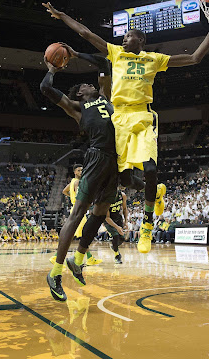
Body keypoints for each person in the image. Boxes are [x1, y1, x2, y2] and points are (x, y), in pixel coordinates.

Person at [43, 2, 209, 254]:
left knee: (150, 168)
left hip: (142, 115)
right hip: (119, 119)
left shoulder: (154, 59)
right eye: (124, 36)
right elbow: (85, 34)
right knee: (126, 179)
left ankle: (148, 226)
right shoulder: (116, 54)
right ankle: (156, 194)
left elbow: (195, 57)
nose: (124, 39)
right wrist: (62, 14)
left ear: (140, 40)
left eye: (128, 36)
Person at [39, 46, 118, 301]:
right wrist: (52, 69)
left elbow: (104, 64)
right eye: (85, 84)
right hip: (96, 157)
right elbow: (46, 89)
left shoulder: (105, 95)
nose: (89, 84)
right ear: (81, 93)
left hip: (115, 159)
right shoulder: (77, 107)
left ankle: (78, 259)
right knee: (77, 214)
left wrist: (76, 53)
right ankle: (55, 272)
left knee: (100, 212)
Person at [50, 164, 101, 266]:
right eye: (79, 170)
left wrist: (71, 197)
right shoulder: (78, 182)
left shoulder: (72, 181)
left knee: (77, 234)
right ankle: (56, 256)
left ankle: (89, 257)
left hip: (74, 208)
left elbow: (64, 191)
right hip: (79, 209)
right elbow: (79, 196)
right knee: (82, 234)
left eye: (82, 170)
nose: (81, 172)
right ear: (75, 172)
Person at [104, 189, 128, 264]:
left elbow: (124, 209)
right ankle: (117, 256)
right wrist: (117, 227)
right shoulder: (107, 198)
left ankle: (114, 246)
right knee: (116, 236)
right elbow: (107, 217)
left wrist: (126, 221)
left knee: (122, 239)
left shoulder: (123, 195)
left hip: (118, 218)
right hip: (109, 220)